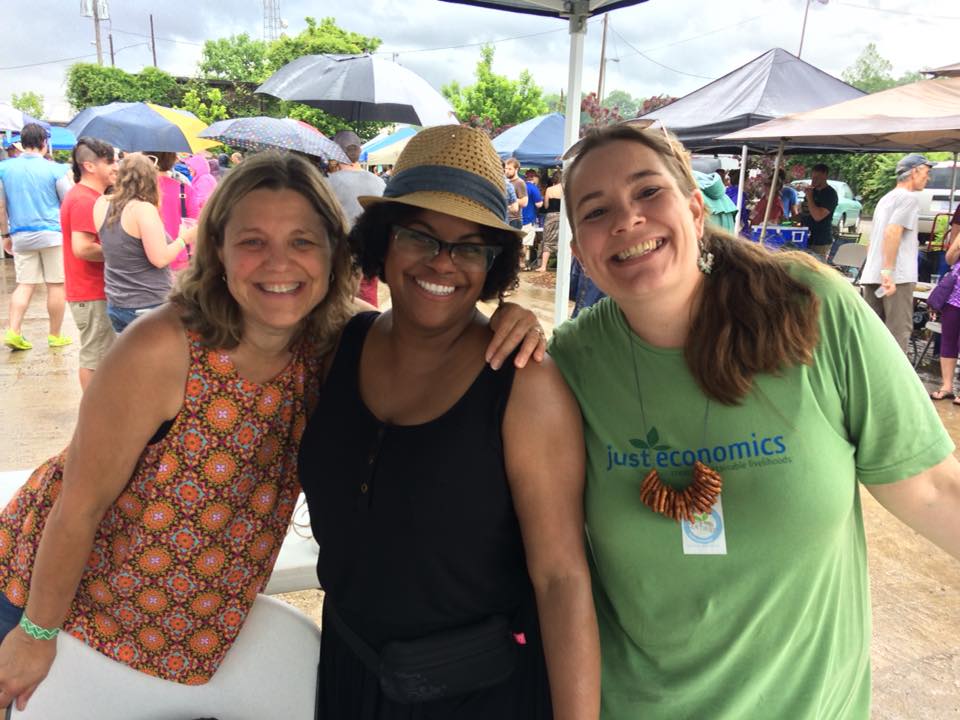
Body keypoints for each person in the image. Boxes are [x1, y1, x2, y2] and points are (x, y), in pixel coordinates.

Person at [0, 150, 548, 713]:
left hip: (175, 630)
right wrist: (33, 635)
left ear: (335, 255)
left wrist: (510, 316)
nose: (278, 264)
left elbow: (431, 330)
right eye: (253, 241)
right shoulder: (162, 348)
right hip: (44, 603)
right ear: (217, 251)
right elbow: (78, 507)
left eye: (303, 242)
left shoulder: (329, 345)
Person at [552, 124, 960, 719]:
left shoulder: (810, 309)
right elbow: (554, 569)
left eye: (647, 192)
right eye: (595, 210)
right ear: (580, 250)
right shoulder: (567, 366)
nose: (627, 220)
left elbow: (929, 486)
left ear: (695, 209)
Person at [299, 125, 599, 719]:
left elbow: (562, 579)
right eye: (421, 236)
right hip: (352, 672)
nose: (443, 263)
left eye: (469, 246)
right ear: (384, 243)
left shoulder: (522, 381)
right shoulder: (338, 346)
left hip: (479, 692)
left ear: (492, 265)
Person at [92, 153, 192, 334]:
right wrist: (184, 239)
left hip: (116, 302)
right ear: (149, 179)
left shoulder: (101, 203)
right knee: (160, 361)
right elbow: (160, 259)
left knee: (130, 360)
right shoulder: (142, 209)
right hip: (148, 303)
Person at [0, 123, 73, 350]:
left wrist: (5, 234)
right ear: (44, 143)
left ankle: (13, 330)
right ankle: (54, 335)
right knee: (56, 285)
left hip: (20, 234)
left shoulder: (5, 168)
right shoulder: (55, 169)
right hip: (52, 234)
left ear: (22, 143)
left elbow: (1, 206)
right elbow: (69, 201)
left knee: (24, 284)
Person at [59, 137, 119, 390]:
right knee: (96, 358)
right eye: (110, 162)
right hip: (91, 291)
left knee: (101, 355)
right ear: (90, 166)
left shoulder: (89, 197)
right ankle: (96, 418)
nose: (116, 167)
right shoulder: (85, 200)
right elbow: (83, 248)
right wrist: (121, 251)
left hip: (91, 290)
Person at [860, 153, 934, 354]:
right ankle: (895, 384)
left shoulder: (886, 198)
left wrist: (880, 269)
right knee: (898, 332)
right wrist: (888, 272)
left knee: (871, 332)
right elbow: (893, 231)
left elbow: (873, 238)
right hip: (896, 279)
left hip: (873, 275)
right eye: (927, 172)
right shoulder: (909, 199)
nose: (928, 178)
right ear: (915, 171)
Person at [327, 129, 386, 307]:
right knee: (367, 308)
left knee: (337, 307)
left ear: (335, 151)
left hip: (338, 259)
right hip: (370, 256)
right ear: (359, 152)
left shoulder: (328, 183)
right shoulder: (380, 183)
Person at [148, 151, 199, 273]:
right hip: (179, 255)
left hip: (148, 256)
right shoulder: (185, 189)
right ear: (174, 160)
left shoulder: (141, 189)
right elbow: (194, 224)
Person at [799, 163, 839, 258]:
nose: (814, 180)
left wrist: (809, 197)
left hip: (820, 240)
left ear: (825, 176)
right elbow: (805, 212)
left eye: (817, 178)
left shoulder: (830, 194)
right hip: (806, 236)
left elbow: (818, 216)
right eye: (812, 178)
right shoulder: (813, 192)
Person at [538, 170, 563, 272]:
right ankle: (561, 266)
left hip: (551, 216)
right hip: (562, 217)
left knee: (548, 241)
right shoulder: (566, 189)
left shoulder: (549, 189)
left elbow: (546, 205)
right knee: (562, 241)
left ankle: (543, 266)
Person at [521, 169, 544, 268]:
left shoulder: (519, 185)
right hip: (529, 218)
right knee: (526, 243)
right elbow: (539, 204)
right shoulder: (533, 188)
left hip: (516, 217)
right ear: (534, 177)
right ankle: (524, 263)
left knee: (518, 241)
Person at [504, 157, 527, 231]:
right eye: (506, 168)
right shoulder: (505, 181)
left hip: (514, 220)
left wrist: (510, 198)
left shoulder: (520, 182)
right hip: (505, 218)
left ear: (516, 169)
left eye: (510, 169)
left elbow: (524, 202)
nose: (507, 171)